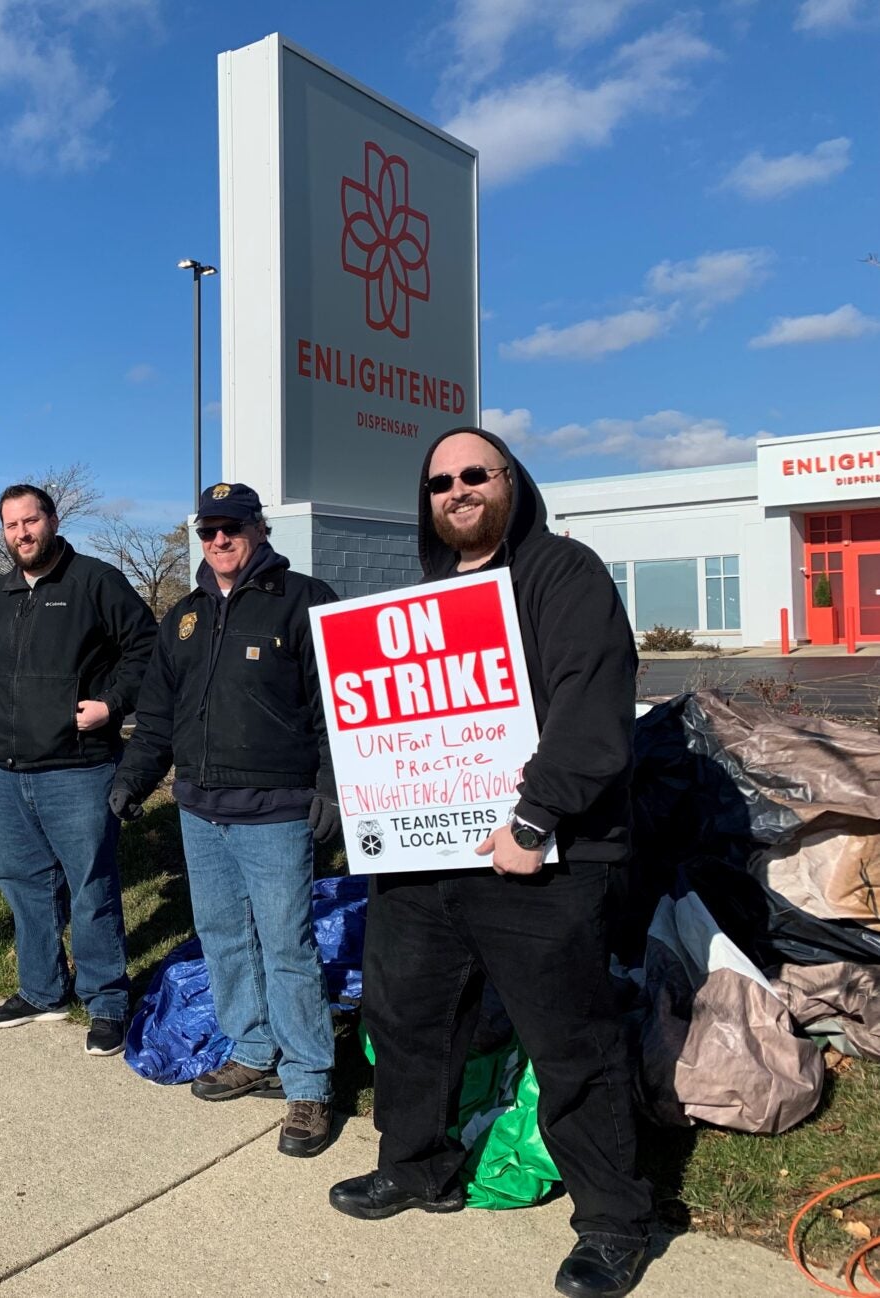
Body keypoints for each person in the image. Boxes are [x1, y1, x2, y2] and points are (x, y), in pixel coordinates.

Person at [328, 428, 653, 1298]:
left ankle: (616, 1220)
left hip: (539, 857)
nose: (458, 490)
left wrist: (535, 816)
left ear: (510, 480)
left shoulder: (562, 573)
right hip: (426, 864)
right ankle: (416, 1166)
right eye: (441, 482)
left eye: (476, 474)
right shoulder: (426, 597)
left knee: (570, 1040)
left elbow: (593, 710)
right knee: (407, 1020)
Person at [111, 483, 342, 1158]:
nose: (218, 540)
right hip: (201, 810)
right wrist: (133, 780)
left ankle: (309, 1085)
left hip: (276, 811)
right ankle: (252, 1048)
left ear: (258, 530)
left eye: (231, 527)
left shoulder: (303, 599)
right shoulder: (182, 617)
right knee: (222, 937)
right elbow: (157, 714)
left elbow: (335, 702)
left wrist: (331, 787)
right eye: (208, 530)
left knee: (287, 947)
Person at [0, 484, 156, 1056]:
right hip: (7, 767)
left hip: (78, 766)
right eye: (11, 525)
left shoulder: (95, 581)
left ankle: (107, 1001)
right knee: (23, 884)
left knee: (90, 884)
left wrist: (112, 704)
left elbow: (148, 648)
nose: (22, 533)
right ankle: (41, 990)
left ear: (52, 520)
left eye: (31, 521)